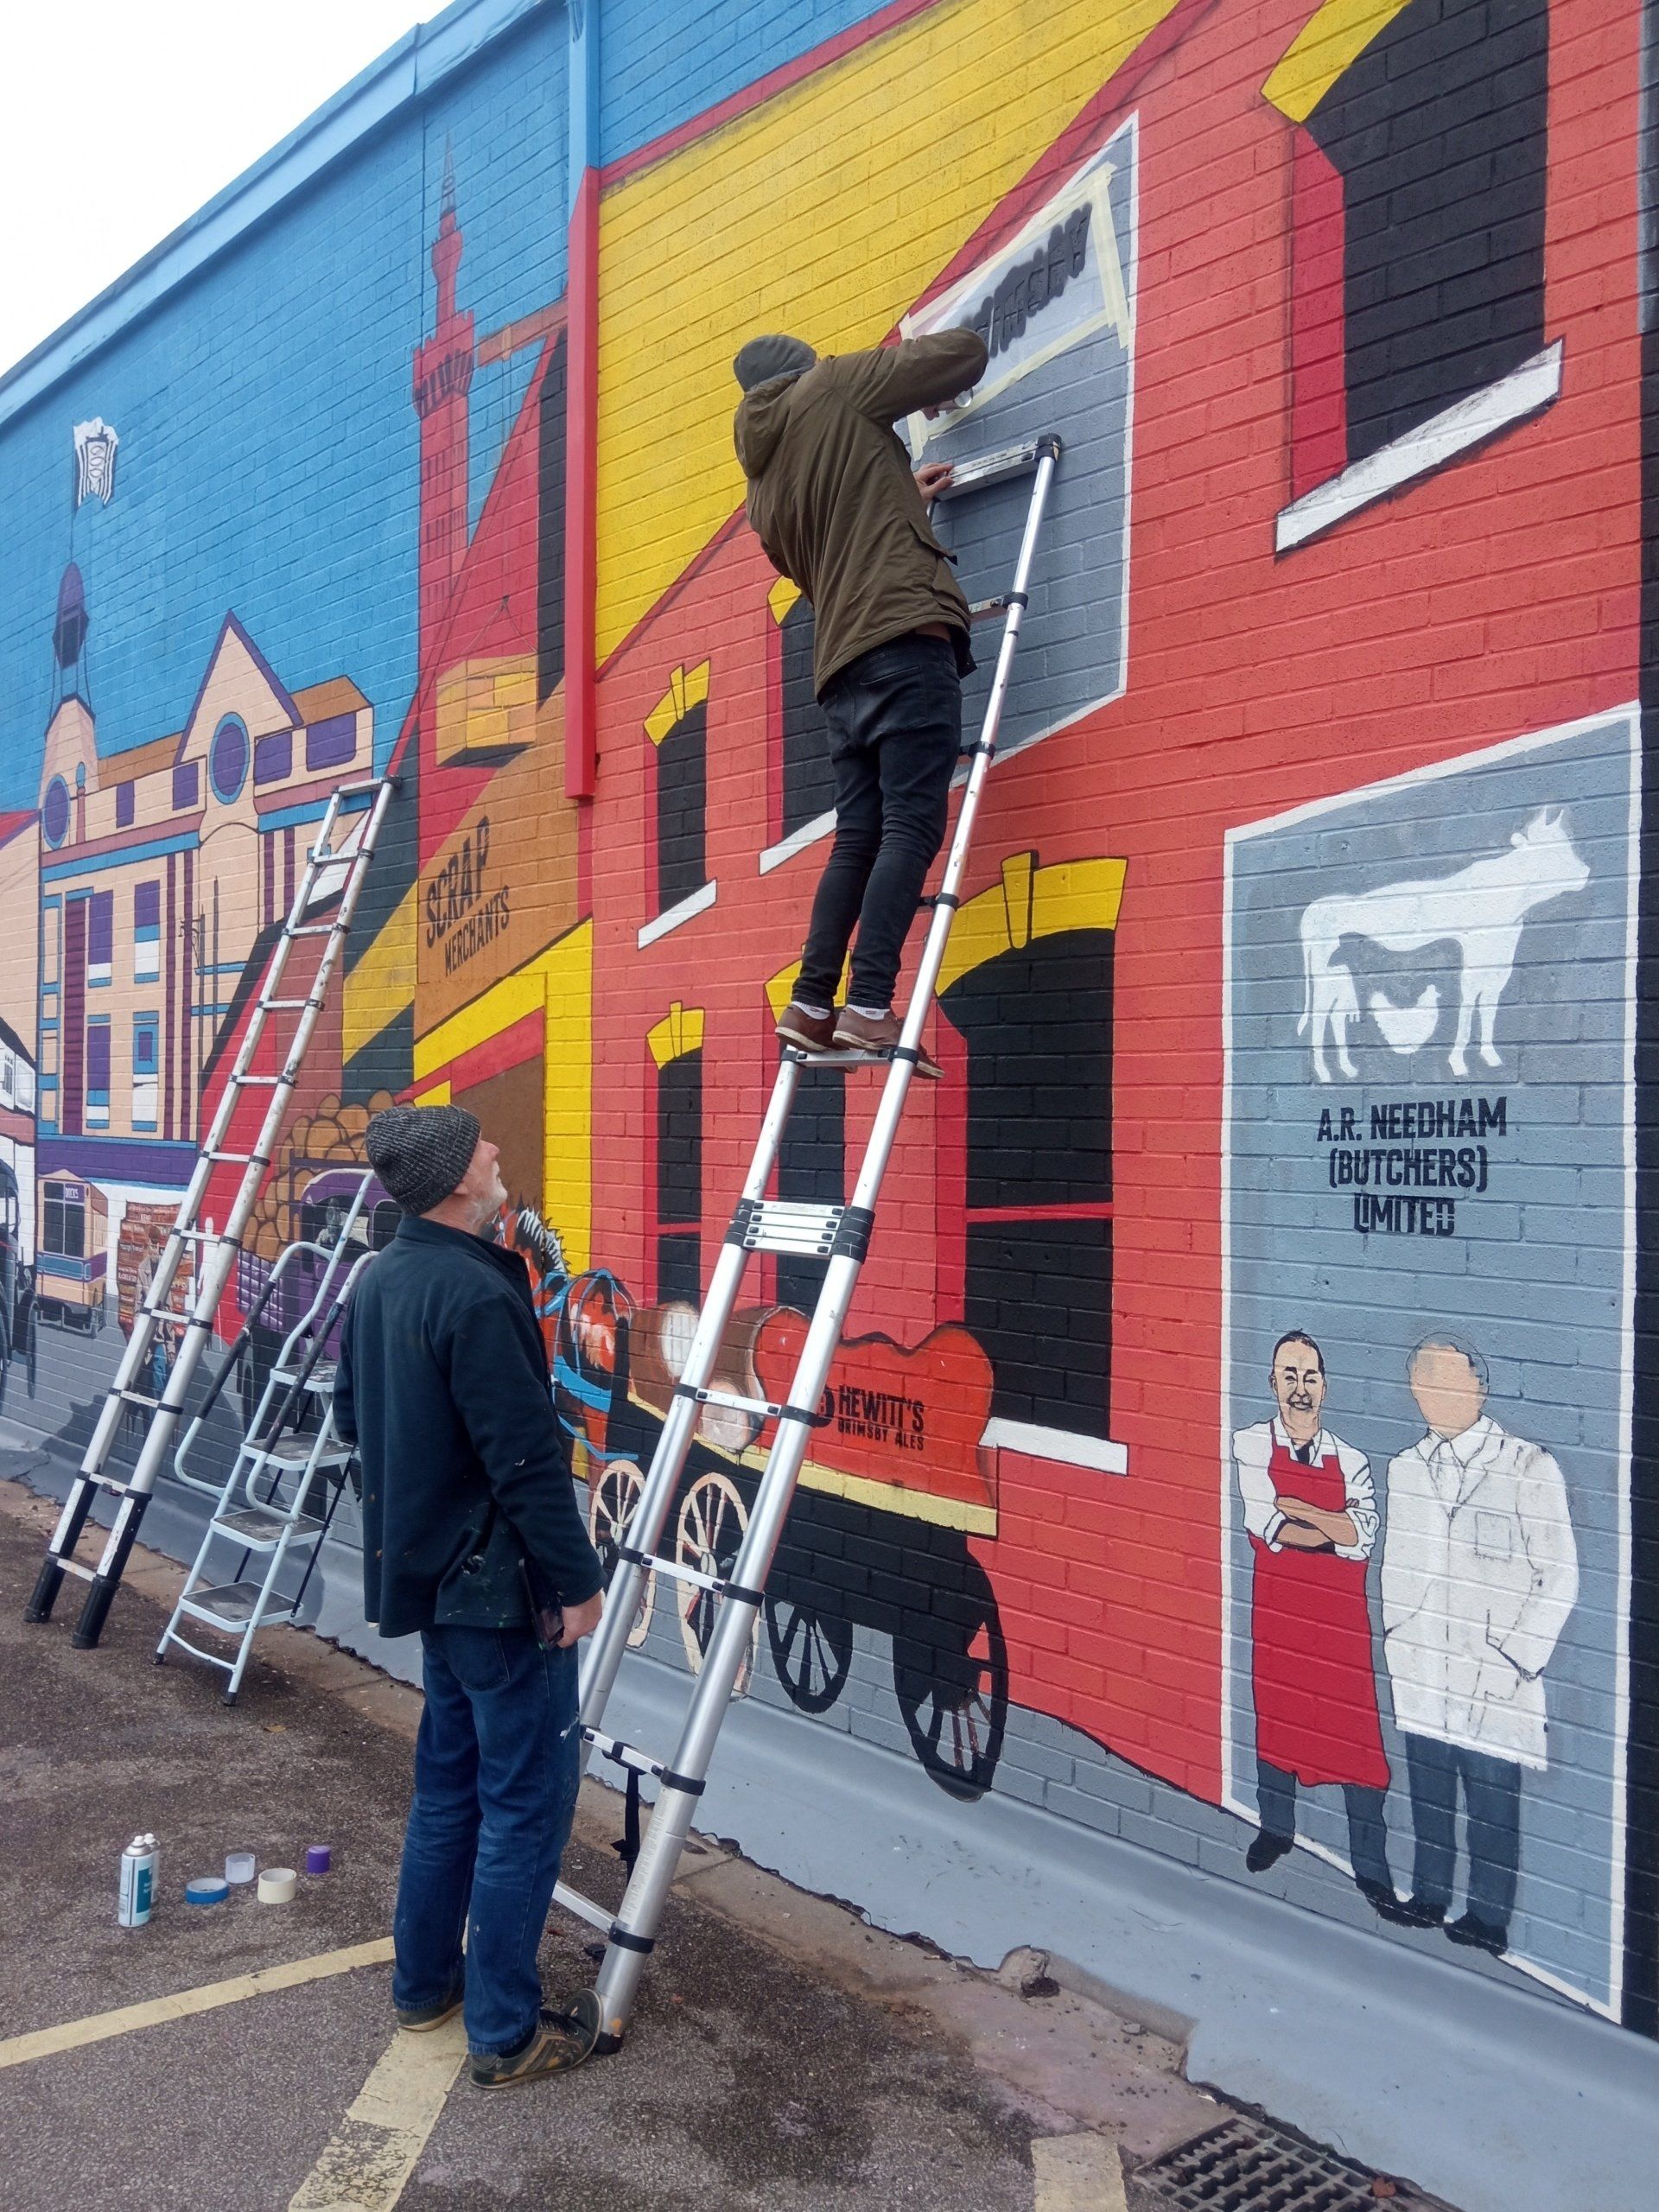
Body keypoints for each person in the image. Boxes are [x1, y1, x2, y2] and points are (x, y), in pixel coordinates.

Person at [333, 1103, 607, 2087]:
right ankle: (505, 2031)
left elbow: (353, 1417)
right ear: (455, 1181)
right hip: (501, 1594)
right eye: (482, 1147)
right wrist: (577, 1582)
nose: (497, 1154)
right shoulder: (473, 1295)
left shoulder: (382, 1279)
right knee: (525, 1801)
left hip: (433, 1584)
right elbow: (528, 1460)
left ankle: (425, 1987)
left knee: (448, 1790)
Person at [733, 325, 989, 1078]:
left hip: (840, 668)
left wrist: (897, 497)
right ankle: (869, 1008)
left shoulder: (762, 489)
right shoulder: (835, 385)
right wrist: (924, 382)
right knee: (910, 826)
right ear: (801, 367)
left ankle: (813, 1004)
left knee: (858, 837)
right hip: (905, 639)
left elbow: (825, 556)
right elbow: (961, 353)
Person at [1381, 1334, 1578, 1956]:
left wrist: (1516, 1657)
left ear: (1480, 1389)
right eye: (1425, 1383)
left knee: (1493, 1799)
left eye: (1451, 1382)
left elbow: (1561, 1573)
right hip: (1424, 1667)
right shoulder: (1406, 1467)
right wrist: (1397, 1639)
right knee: (1430, 1790)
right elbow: (1396, 1567)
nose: (1436, 1395)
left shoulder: (1527, 1465)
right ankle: (1431, 1894)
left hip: (1496, 1677)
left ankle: (1489, 1917)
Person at [1232, 1331, 1407, 1921]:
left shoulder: (1352, 1459)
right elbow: (1267, 1527)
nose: (1300, 1389)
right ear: (1272, 1383)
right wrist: (1328, 1526)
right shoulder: (1251, 1445)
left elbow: (1363, 1540)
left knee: (1357, 1738)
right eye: (1289, 1375)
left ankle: (1373, 1870)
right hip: (1281, 1615)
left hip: (1339, 1625)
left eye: (1310, 1377)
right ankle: (1275, 1831)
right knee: (1279, 1715)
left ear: (1325, 1386)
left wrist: (1304, 1512)